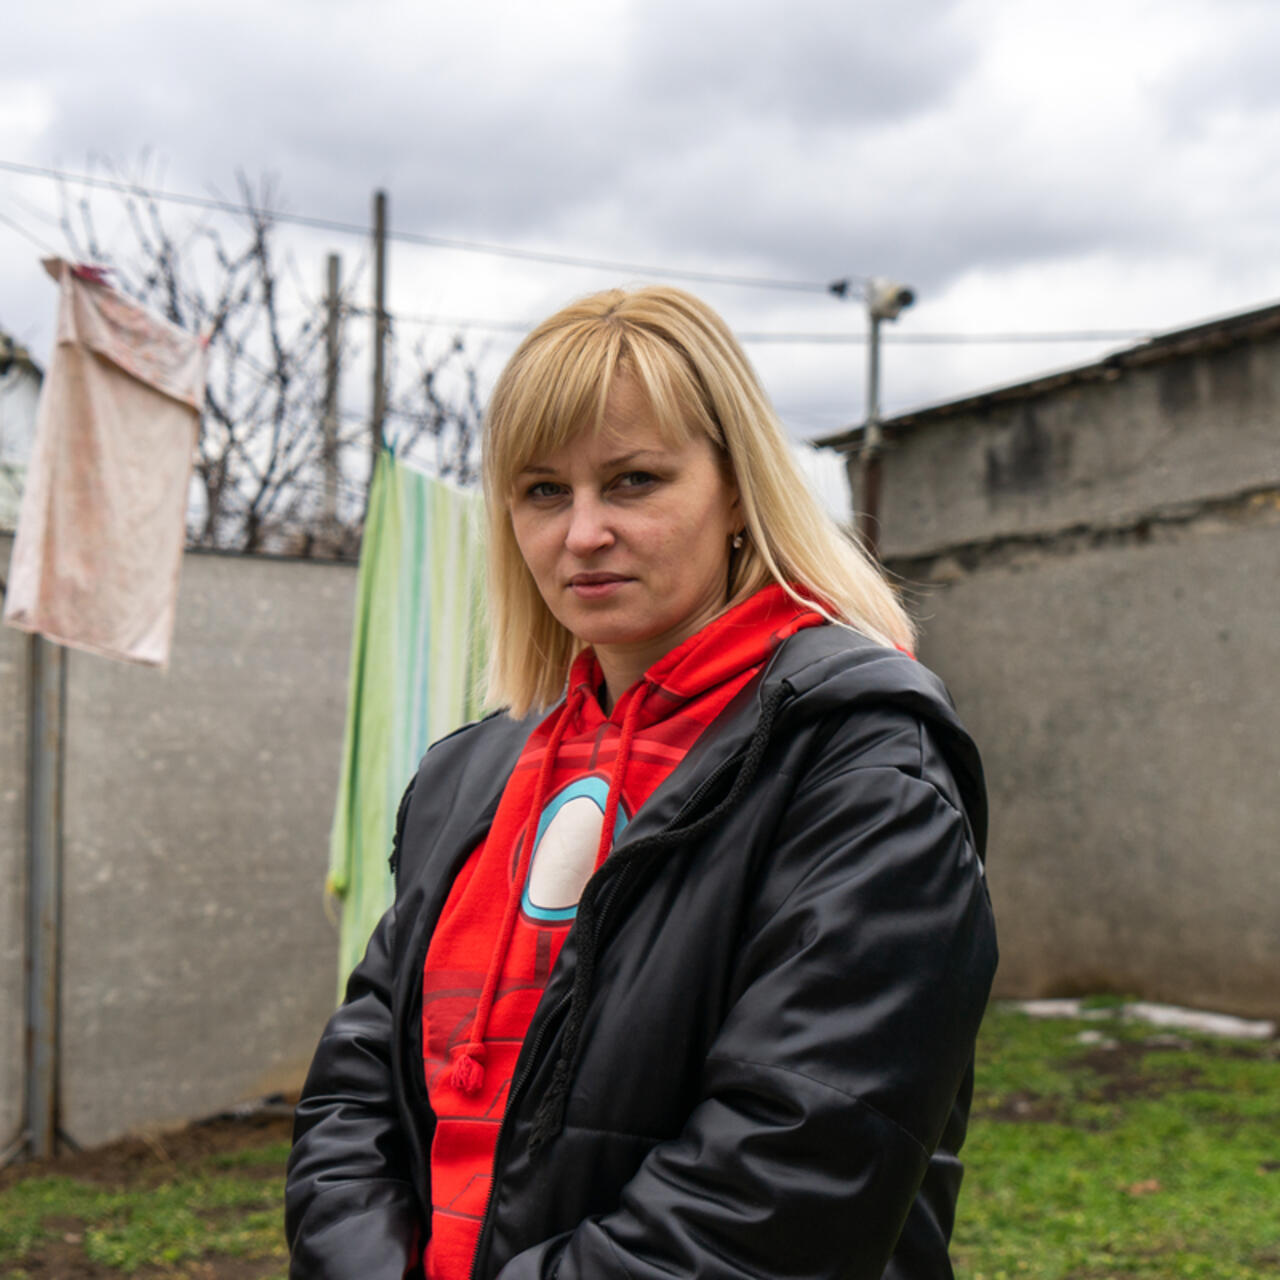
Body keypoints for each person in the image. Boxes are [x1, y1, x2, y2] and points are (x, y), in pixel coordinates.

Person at [286, 286, 998, 1280]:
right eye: (541, 490)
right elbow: (354, 1088)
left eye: (631, 480)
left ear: (738, 489)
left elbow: (788, 1175)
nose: (581, 532)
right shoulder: (467, 775)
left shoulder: (861, 764)